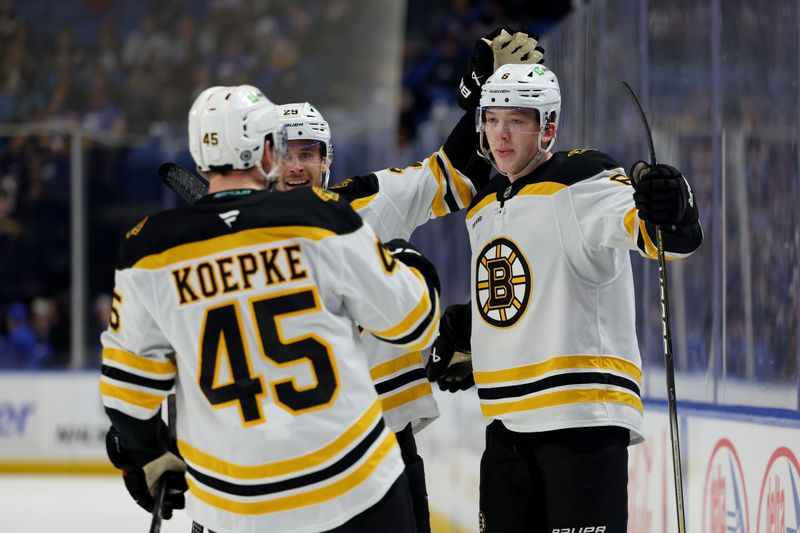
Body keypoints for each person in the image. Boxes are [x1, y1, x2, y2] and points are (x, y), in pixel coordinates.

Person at [100, 84, 443, 533]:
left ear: (200, 154)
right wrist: (410, 261)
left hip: (233, 505)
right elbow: (413, 322)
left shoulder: (147, 248)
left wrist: (145, 453)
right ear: (268, 152)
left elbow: (127, 393)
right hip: (352, 488)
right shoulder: (323, 219)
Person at [426, 63, 703, 532]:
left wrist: (673, 209)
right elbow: (530, 289)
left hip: (580, 421)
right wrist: (473, 330)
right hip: (505, 428)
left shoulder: (583, 180)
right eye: (492, 119)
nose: (501, 134)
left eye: (517, 120)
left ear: (548, 126)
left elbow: (661, 235)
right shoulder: (484, 204)